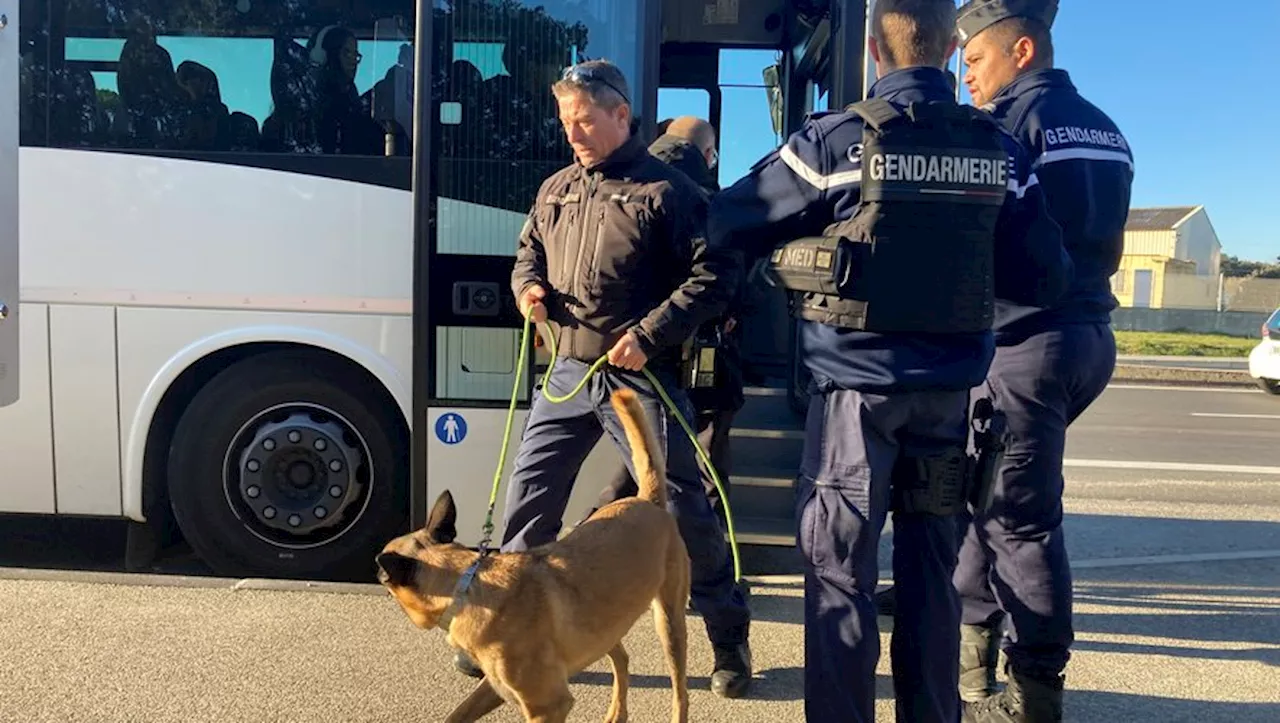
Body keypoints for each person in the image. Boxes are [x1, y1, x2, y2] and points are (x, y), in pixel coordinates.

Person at [706, 0, 1071, 720]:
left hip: (854, 401)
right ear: (945, 52)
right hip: (947, 402)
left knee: (839, 573)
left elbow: (726, 220)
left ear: (874, 51)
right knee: (932, 572)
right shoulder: (999, 151)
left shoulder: (831, 144)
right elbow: (1046, 275)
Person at [452, 60, 754, 699]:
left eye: (585, 120)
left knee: (684, 509)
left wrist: (647, 336)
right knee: (529, 500)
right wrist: (527, 287)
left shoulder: (672, 193)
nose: (573, 134)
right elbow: (527, 253)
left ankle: (729, 640)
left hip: (635, 376)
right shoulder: (556, 187)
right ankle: (509, 631)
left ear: (622, 114)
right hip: (565, 371)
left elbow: (715, 278)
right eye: (566, 122)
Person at [950, 2, 1135, 720]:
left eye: (975, 61)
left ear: (1021, 51)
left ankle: (1034, 692)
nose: (967, 77)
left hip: (1026, 341)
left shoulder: (1008, 127)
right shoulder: (1106, 127)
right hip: (1088, 336)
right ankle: (971, 661)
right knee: (985, 499)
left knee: (1020, 521)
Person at [584, 115, 747, 532]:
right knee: (702, 469)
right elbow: (727, 281)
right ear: (709, 156)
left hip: (637, 356)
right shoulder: (715, 203)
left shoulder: (627, 185)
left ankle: (594, 541)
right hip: (704, 357)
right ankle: (711, 572)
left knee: (639, 463)